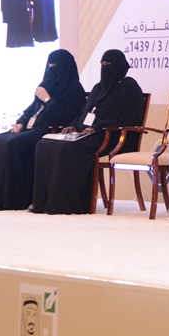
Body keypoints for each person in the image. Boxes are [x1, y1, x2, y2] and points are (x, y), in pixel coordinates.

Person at [32, 49, 144, 215]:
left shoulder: (129, 87)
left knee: (69, 149)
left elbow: (128, 117)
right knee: (45, 144)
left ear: (121, 67)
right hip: (87, 134)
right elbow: (84, 112)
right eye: (102, 64)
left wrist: (97, 127)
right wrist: (74, 126)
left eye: (109, 64)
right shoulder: (98, 88)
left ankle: (70, 203)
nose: (105, 68)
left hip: (111, 137)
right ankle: (46, 203)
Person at [0, 49, 85, 210]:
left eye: (55, 66)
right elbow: (32, 109)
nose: (51, 69)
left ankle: (13, 200)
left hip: (47, 130)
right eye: (49, 65)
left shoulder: (74, 90)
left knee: (11, 145)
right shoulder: (47, 84)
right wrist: (21, 123)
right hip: (30, 128)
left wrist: (48, 99)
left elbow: (65, 117)